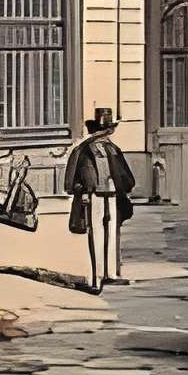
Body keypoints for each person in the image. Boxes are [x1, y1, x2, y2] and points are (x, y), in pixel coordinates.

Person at [61, 108, 135, 293]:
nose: (106, 134)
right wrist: (82, 191)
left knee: (111, 233)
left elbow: (124, 174)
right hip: (94, 196)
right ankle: (96, 277)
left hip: (111, 196)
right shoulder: (84, 150)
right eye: (104, 130)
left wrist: (123, 188)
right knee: (97, 235)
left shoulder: (113, 149)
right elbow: (76, 176)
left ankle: (111, 274)